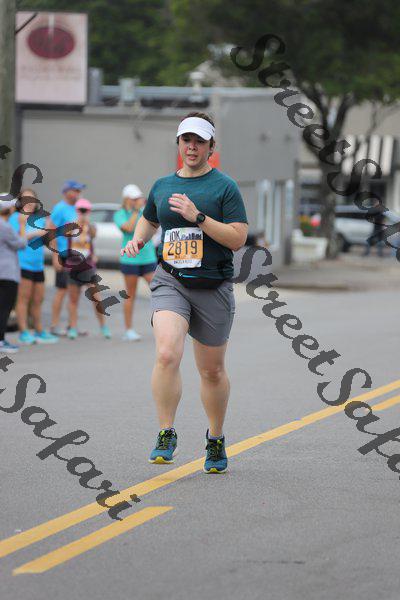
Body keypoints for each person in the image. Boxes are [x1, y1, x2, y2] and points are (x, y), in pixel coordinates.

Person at [122, 112, 248, 473]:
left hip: (213, 286)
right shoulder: (163, 185)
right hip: (171, 280)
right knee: (166, 353)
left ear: (211, 147)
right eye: (186, 140)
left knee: (212, 371)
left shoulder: (224, 187)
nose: (191, 147)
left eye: (199, 141)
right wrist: (138, 240)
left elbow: (238, 238)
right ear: (178, 143)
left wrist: (198, 217)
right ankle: (166, 432)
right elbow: (149, 218)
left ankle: (215, 437)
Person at [9, 189, 58, 345]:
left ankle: (38, 330)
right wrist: (34, 233)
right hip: (22, 263)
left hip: (38, 265)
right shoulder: (15, 217)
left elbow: (49, 240)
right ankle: (23, 332)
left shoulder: (40, 219)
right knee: (23, 299)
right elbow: (15, 240)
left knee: (38, 299)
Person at [114, 184, 158, 341]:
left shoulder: (145, 212)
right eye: (134, 199)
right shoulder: (120, 214)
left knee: (159, 291)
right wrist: (135, 211)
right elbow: (128, 228)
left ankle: (162, 326)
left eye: (139, 198)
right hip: (130, 260)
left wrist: (141, 210)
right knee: (130, 295)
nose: (138, 201)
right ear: (127, 199)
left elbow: (153, 228)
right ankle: (128, 330)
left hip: (148, 258)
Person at [65, 198, 111, 340]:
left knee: (96, 297)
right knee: (73, 299)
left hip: (88, 266)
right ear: (77, 211)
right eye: (81, 210)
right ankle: (73, 327)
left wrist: (86, 223)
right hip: (73, 266)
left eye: (85, 211)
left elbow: (94, 234)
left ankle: (103, 326)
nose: (83, 213)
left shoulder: (91, 227)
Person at [48, 179, 86, 336]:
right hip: (64, 255)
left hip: (77, 256)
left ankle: (72, 325)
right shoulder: (60, 208)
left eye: (79, 190)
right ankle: (54, 325)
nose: (78, 193)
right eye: (75, 190)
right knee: (62, 290)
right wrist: (55, 255)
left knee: (75, 293)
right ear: (66, 192)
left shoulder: (79, 208)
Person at [0, 197, 26, 354]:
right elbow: (21, 243)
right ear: (9, 209)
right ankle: (1, 340)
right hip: (7, 273)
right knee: (4, 307)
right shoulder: (5, 226)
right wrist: (22, 226)